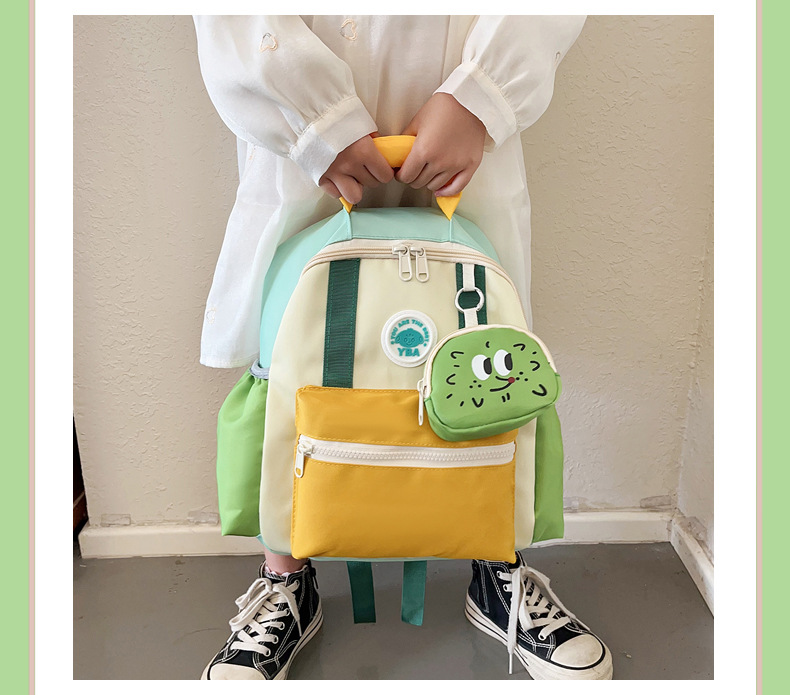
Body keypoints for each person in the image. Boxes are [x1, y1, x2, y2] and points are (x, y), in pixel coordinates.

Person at [192, 15, 613, 681]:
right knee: (295, 355)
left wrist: (481, 93)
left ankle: (497, 566)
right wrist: (310, 115)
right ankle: (286, 578)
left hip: (462, 102)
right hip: (301, 100)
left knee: (485, 360)